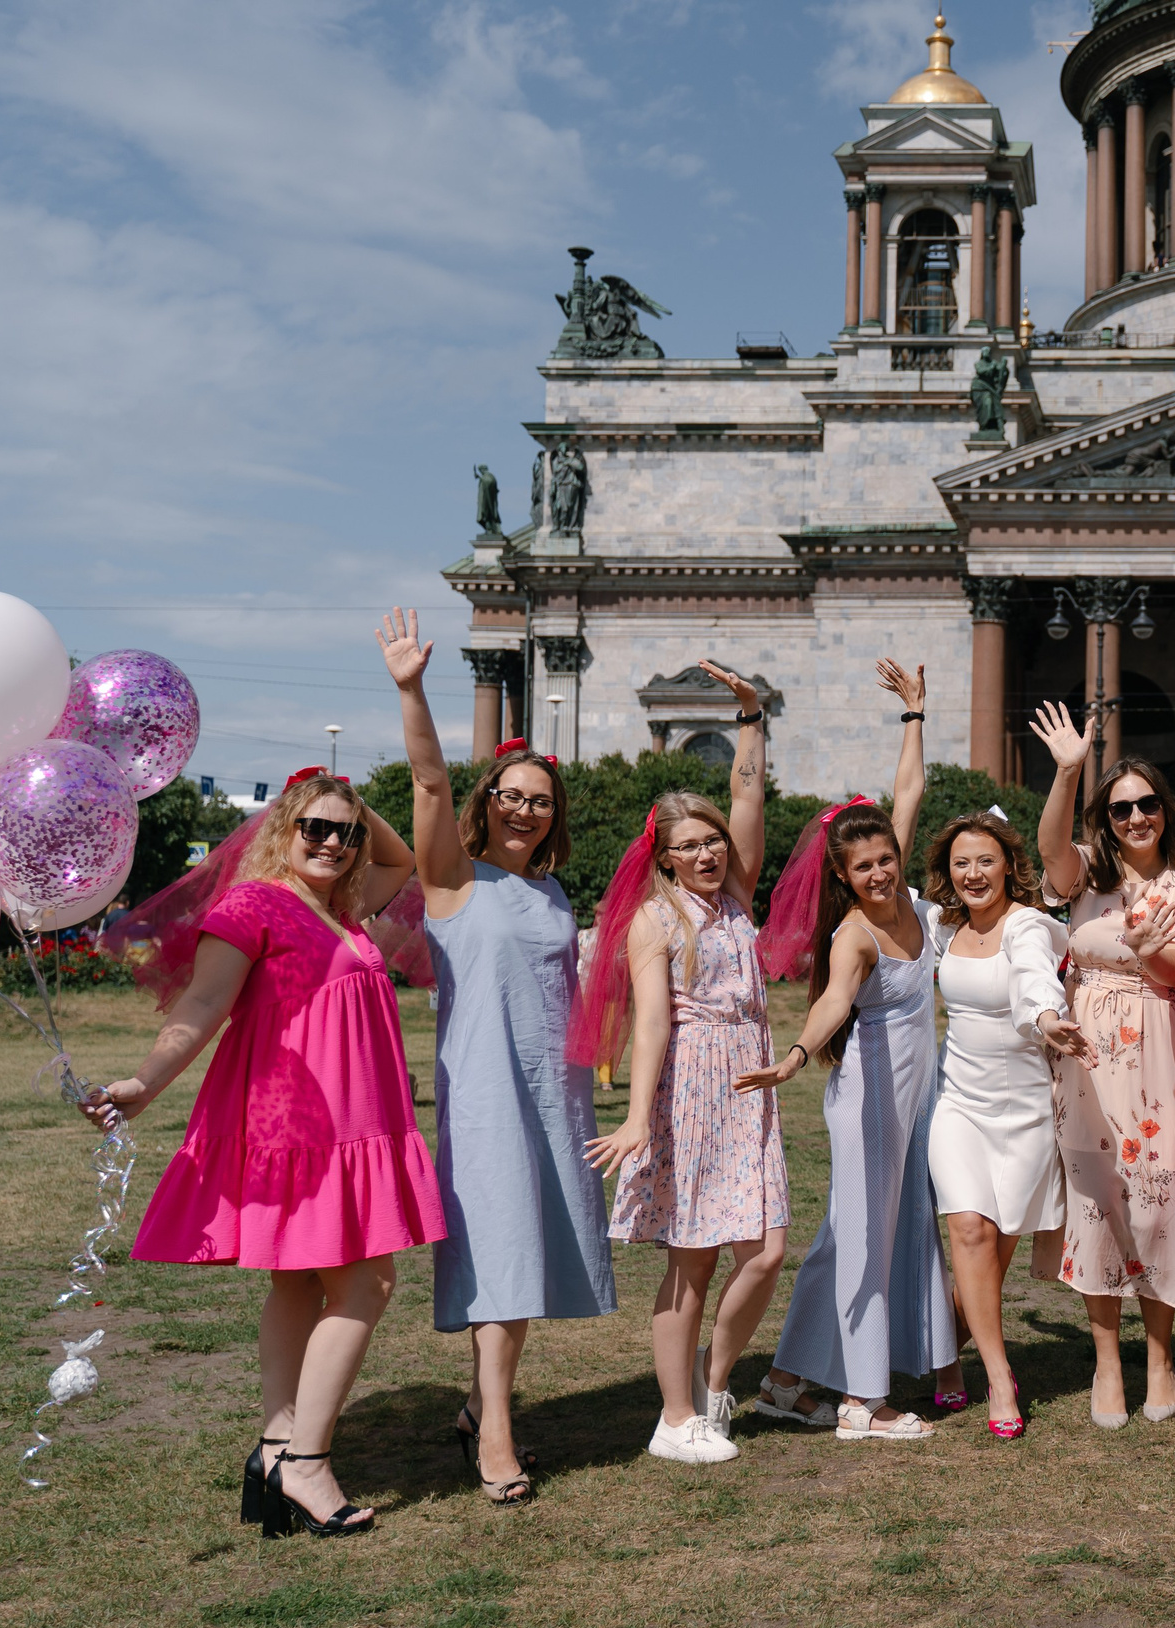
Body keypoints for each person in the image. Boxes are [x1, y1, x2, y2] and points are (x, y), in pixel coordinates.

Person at [86, 769, 437, 1537]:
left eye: (345, 832)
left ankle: (276, 1446)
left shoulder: (345, 907)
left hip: (351, 1123)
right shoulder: (254, 903)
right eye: (315, 827)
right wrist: (146, 1082)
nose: (336, 843)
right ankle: (306, 1460)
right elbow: (203, 1003)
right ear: (283, 828)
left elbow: (400, 857)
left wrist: (344, 795)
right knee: (368, 1284)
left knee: (301, 1285)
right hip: (301, 1128)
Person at [378, 608, 613, 1505]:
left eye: (539, 798)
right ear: (489, 805)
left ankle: (483, 1404)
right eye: (510, 794)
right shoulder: (452, 876)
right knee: (503, 1254)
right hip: (482, 1091)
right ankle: (500, 1435)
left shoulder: (552, 892)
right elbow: (430, 785)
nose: (523, 806)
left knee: (529, 1251)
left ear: (553, 817)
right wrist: (412, 689)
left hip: (554, 1090)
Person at [737, 663, 958, 1440]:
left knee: (855, 1236)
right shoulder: (854, 935)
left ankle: (788, 1380)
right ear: (842, 874)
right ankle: (865, 1402)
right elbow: (834, 1002)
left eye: (886, 859)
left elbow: (908, 794)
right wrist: (795, 1057)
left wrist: (914, 716)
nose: (878, 871)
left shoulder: (922, 910)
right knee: (863, 1236)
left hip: (912, 1097)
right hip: (867, 1097)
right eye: (862, 866)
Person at [575, 661, 781, 1466]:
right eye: (687, 845)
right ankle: (673, 1417)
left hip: (751, 1078)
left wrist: (751, 722)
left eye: (711, 841)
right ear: (662, 858)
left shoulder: (737, 896)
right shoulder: (657, 921)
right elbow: (652, 1021)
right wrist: (635, 1115)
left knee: (765, 1248)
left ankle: (713, 1380)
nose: (705, 852)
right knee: (690, 1262)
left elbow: (749, 797)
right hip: (692, 1086)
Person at [1030, 704, 1175, 1428]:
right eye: (1120, 808)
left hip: (1156, 1047)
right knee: (1098, 1197)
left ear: (1164, 812)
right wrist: (1069, 770)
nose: (1135, 816)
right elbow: (1048, 847)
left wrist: (1141, 944)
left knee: (1159, 1193)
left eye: (1146, 804)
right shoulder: (1086, 875)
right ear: (1106, 819)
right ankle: (1107, 1357)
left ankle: (1160, 1354)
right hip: (1086, 1053)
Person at [921, 809, 1086, 1439]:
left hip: (1024, 1115)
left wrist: (1047, 1019)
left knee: (989, 1260)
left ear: (1008, 866)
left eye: (985, 860)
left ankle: (942, 1358)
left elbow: (1034, 982)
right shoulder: (939, 926)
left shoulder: (1029, 927)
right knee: (967, 1230)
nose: (973, 873)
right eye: (961, 862)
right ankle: (997, 1377)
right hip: (957, 1103)